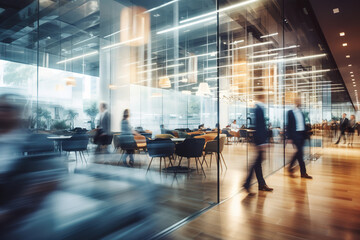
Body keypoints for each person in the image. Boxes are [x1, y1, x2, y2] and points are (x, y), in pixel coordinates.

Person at [243, 93, 273, 193]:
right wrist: (262, 142)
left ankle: (260, 184)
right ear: (262, 97)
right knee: (257, 162)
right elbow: (259, 127)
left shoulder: (259, 108)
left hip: (260, 140)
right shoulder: (258, 108)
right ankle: (248, 183)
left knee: (257, 163)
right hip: (259, 141)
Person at [287, 97, 312, 179]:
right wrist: (289, 137)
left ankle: (290, 167)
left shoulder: (301, 112)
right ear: (295, 102)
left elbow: (303, 124)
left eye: (300, 101)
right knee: (300, 153)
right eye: (298, 101)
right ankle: (303, 172)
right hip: (295, 135)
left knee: (299, 153)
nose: (299, 102)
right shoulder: (290, 112)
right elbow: (289, 125)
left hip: (302, 134)